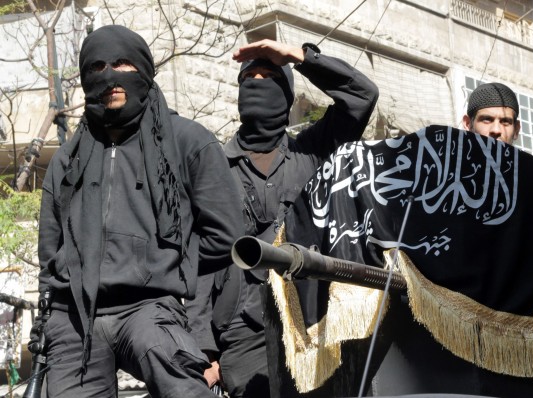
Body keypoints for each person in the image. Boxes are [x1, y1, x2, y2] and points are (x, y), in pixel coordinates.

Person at [32, 25, 244, 397]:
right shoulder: (67, 158)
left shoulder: (186, 140)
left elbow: (226, 234)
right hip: (75, 318)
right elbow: (50, 251)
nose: (110, 77)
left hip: (150, 307)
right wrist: (48, 320)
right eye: (96, 68)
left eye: (123, 64)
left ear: (144, 70)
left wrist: (169, 263)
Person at [186, 39, 379, 397]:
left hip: (312, 321)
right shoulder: (212, 166)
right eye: (250, 78)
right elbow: (201, 263)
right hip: (241, 333)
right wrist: (203, 351)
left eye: (270, 75)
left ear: (287, 93)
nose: (258, 82)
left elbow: (362, 96)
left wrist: (299, 57)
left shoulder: (313, 150)